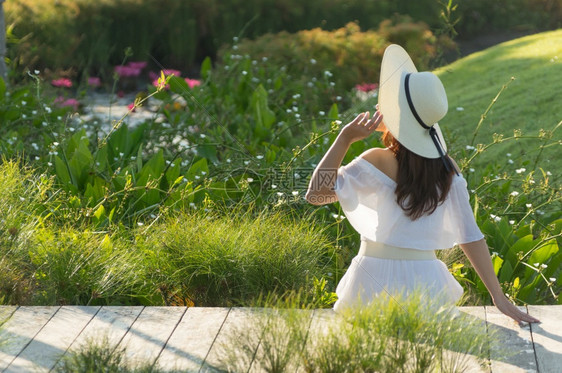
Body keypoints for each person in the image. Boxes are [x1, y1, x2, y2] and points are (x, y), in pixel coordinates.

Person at [305, 44, 540, 325]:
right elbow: (470, 235)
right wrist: (498, 297)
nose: (379, 105)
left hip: (371, 280)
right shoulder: (445, 168)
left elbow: (315, 195)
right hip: (426, 283)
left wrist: (344, 139)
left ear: (395, 115)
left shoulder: (376, 160)